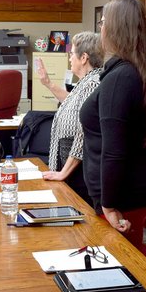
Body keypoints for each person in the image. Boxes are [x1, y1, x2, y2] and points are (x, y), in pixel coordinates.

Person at [80, 0, 146, 234]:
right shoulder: (135, 70)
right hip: (126, 196)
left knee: (122, 268)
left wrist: (109, 204)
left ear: (115, 28)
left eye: (103, 22)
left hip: (121, 203)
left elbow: (114, 150)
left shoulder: (120, 79)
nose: (101, 28)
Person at [37, 31, 103, 204]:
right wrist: (48, 83)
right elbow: (71, 103)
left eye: (72, 53)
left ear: (84, 58)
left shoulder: (93, 83)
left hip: (77, 174)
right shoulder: (85, 82)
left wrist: (64, 172)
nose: (69, 58)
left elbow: (83, 135)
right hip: (69, 167)